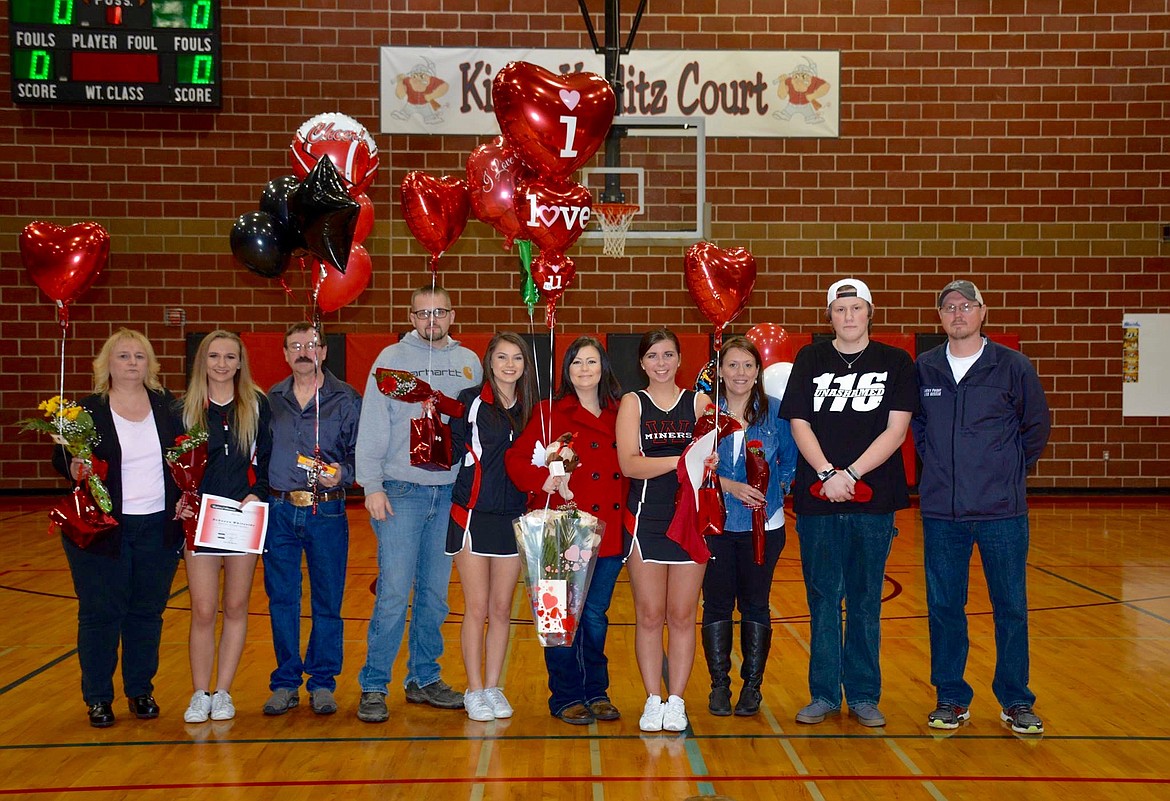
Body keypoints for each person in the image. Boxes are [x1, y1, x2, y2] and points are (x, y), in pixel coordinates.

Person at [913, 280, 1051, 735]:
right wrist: (937, 467)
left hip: (1001, 513)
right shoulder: (925, 369)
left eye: (966, 306)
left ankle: (1016, 700)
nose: (958, 314)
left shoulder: (1012, 367)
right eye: (949, 307)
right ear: (940, 317)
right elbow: (916, 430)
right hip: (942, 513)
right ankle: (950, 697)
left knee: (1010, 606)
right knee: (945, 607)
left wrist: (1006, 469)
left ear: (982, 312)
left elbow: (1035, 428)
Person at [779, 278, 917, 728]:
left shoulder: (895, 362)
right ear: (830, 316)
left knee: (863, 602)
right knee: (822, 598)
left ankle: (862, 694)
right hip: (818, 502)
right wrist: (825, 475)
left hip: (873, 504)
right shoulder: (810, 358)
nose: (849, 316)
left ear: (869, 312)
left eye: (857, 308)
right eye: (841, 310)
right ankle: (822, 694)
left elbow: (896, 431)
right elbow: (799, 423)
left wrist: (852, 475)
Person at [354, 285, 482, 723]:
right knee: (392, 592)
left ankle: (424, 677)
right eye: (423, 313)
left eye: (440, 312)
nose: (432, 320)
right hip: (401, 493)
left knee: (434, 595)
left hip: (449, 493)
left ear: (451, 314)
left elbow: (479, 430)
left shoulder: (469, 363)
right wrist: (370, 483)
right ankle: (374, 684)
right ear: (410, 317)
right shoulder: (390, 360)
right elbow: (372, 422)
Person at [51, 329, 184, 728]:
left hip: (159, 527)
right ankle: (98, 697)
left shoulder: (169, 407)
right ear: (106, 364)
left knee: (147, 613)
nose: (131, 363)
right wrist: (71, 466)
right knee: (100, 614)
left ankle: (141, 690)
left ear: (151, 364)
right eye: (122, 356)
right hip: (101, 530)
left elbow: (187, 458)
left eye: (139, 356)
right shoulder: (85, 412)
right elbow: (62, 457)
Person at [506, 336, 628, 726]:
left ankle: (597, 690)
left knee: (594, 615)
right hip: (561, 526)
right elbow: (516, 459)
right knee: (559, 618)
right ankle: (565, 695)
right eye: (576, 362)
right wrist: (542, 481)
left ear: (603, 368)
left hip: (607, 530)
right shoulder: (548, 412)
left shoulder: (620, 411)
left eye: (592, 362)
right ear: (567, 370)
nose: (585, 369)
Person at [615, 328, 713, 733]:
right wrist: (681, 460)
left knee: (682, 615)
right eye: (653, 355)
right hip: (646, 519)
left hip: (690, 518)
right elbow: (630, 465)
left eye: (668, 354)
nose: (661, 362)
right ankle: (653, 699)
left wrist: (687, 461)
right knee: (651, 615)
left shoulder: (700, 402)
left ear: (678, 360)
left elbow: (710, 462)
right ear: (642, 362)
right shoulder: (632, 403)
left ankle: (677, 701)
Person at [262, 322, 361, 716]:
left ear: (323, 352)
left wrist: (344, 473)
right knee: (282, 600)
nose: (304, 351)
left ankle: (322, 682)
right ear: (285, 354)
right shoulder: (270, 399)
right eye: (296, 345)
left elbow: (359, 456)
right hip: (280, 510)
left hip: (328, 510)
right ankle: (285, 682)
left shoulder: (348, 399)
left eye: (312, 345)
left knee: (327, 601)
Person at [179, 330, 272, 723]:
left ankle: (224, 693)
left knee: (235, 606)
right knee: (202, 609)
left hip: (242, 519)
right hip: (200, 521)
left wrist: (258, 493)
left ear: (240, 362)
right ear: (203, 361)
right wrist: (180, 500)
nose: (222, 364)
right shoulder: (182, 409)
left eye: (230, 357)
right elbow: (171, 466)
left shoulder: (256, 405)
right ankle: (200, 692)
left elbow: (267, 461)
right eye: (214, 356)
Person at [701, 336, 797, 717]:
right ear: (719, 371)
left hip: (765, 527)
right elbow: (694, 467)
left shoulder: (777, 414)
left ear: (758, 371)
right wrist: (730, 486)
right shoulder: (706, 414)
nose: (740, 373)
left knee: (756, 603)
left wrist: (769, 492)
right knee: (717, 603)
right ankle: (719, 686)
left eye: (747, 365)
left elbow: (789, 463)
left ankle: (752, 688)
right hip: (716, 525)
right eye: (732, 365)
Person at [445, 332, 537, 721]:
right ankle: (474, 688)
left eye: (516, 357)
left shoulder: (533, 409)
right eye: (502, 357)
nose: (509, 364)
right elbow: (450, 450)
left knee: (502, 609)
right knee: (477, 607)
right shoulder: (469, 402)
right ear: (490, 361)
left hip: (514, 517)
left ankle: (494, 687)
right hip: (472, 515)